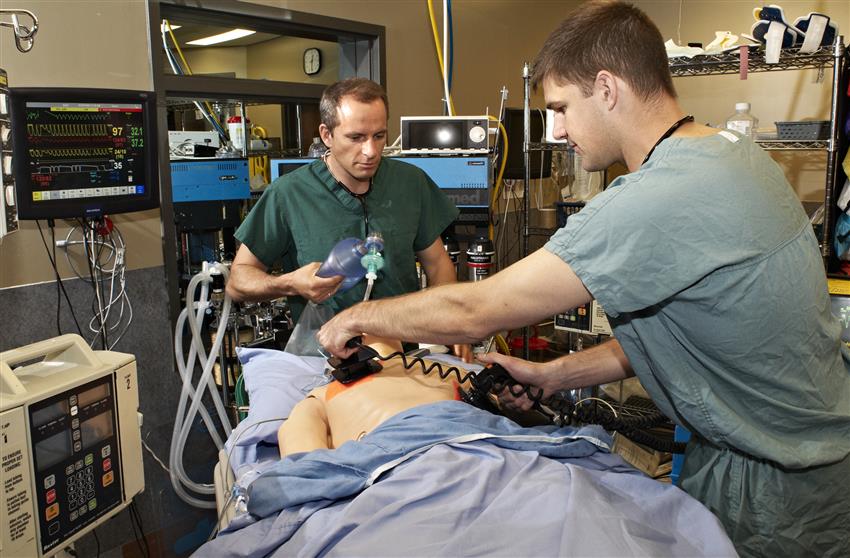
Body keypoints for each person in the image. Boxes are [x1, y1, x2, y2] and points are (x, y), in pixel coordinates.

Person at [317, 2, 850, 556]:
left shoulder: (661, 196)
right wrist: (553, 373)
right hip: (809, 453)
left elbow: (479, 311)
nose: (559, 129)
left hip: (777, 491)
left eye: (562, 107)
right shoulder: (732, 154)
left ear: (607, 87)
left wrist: (356, 316)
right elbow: (684, 335)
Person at [226, 77, 471, 361]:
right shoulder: (289, 194)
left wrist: (449, 324)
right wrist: (291, 283)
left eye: (379, 136)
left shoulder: (410, 183)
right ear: (326, 135)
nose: (370, 151)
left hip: (401, 356)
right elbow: (238, 281)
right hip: (324, 360)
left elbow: (438, 264)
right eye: (356, 138)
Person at [277, 336, 472, 458]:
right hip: (397, 460)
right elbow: (303, 461)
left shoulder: (449, 370)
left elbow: (303, 464)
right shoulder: (323, 394)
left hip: (468, 443)